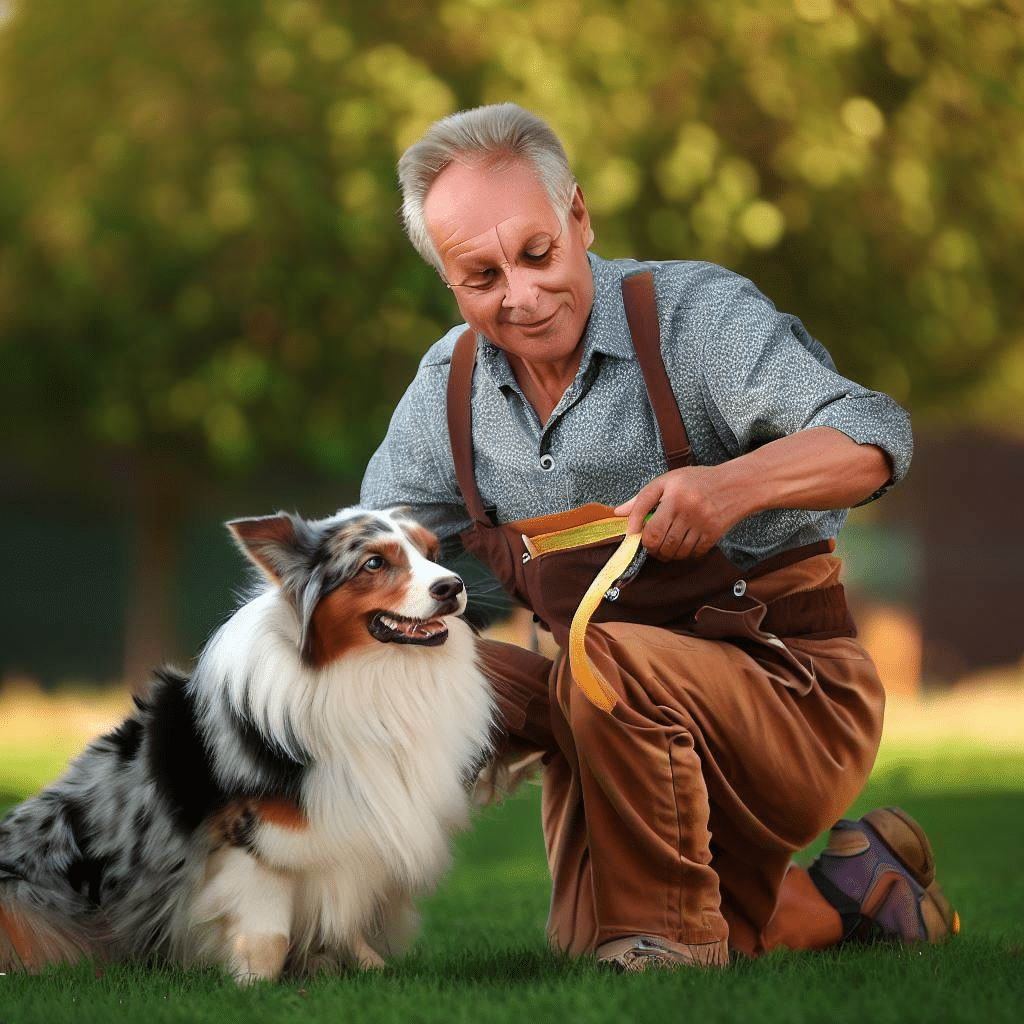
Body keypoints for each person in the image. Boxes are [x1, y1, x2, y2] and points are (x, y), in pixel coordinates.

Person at [360, 103, 956, 971]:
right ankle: (860, 891)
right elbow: (366, 559)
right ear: (447, 279)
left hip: (789, 699)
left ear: (580, 217)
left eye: (537, 254)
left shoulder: (692, 317)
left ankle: (668, 942)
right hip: (600, 717)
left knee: (612, 666)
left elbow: (871, 434)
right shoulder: (447, 390)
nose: (520, 296)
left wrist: (728, 487)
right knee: (383, 655)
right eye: (481, 275)